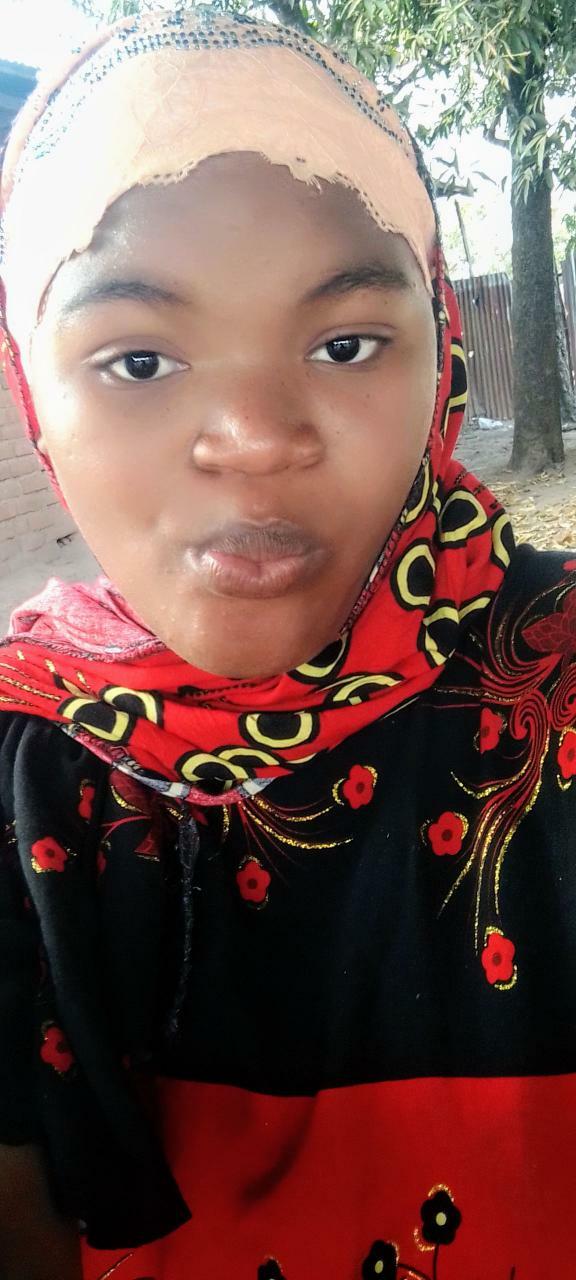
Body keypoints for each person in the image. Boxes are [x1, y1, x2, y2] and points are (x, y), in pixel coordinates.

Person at [0, 7, 574, 1279]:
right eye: (138, 360)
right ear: (34, 391)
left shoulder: (561, 684)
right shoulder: (23, 769)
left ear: (439, 355)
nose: (257, 435)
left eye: (345, 343)